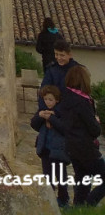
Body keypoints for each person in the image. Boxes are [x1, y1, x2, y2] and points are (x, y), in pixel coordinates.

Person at [45, 64, 105, 207]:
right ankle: (89, 205)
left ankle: (78, 209)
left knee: (83, 181)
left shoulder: (66, 99)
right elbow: (94, 130)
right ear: (83, 80)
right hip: (86, 148)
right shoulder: (82, 102)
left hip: (72, 147)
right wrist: (96, 122)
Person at [31, 85, 70, 208]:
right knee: (48, 176)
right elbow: (34, 125)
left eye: (50, 99)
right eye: (46, 99)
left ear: (56, 100)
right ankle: (50, 198)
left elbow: (64, 128)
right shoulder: (42, 111)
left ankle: (63, 199)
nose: (48, 102)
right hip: (45, 150)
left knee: (61, 176)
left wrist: (51, 118)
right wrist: (40, 116)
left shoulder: (61, 113)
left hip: (58, 151)